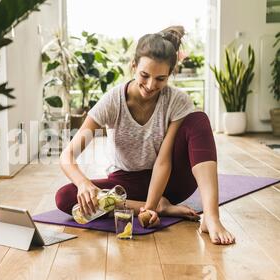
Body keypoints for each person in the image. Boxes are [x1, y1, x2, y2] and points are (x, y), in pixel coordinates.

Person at [55, 26, 235, 245]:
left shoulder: (177, 101)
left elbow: (163, 162)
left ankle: (212, 218)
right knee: (65, 196)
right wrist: (83, 183)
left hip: (171, 181)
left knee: (198, 119)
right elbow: (67, 157)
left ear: (170, 74)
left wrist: (149, 208)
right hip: (128, 183)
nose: (151, 86)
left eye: (160, 79)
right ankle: (162, 206)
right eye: (144, 75)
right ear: (133, 66)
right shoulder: (112, 101)